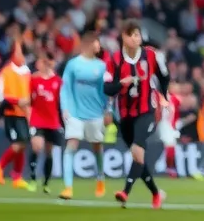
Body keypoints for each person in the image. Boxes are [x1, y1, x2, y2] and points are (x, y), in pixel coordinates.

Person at [103, 21, 169, 208]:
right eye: (132, 35)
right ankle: (157, 193)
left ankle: (125, 192)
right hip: (124, 115)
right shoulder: (114, 60)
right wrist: (121, 83)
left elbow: (164, 77)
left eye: (138, 35)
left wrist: (164, 96)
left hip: (147, 110)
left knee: (137, 151)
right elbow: (107, 88)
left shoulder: (151, 56)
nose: (136, 38)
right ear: (124, 37)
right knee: (137, 158)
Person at [60, 31, 111, 200]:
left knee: (97, 146)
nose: (99, 46)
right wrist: (65, 108)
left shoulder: (101, 66)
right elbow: (65, 87)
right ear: (89, 44)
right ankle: (68, 187)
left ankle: (100, 179)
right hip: (75, 113)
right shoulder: (73, 65)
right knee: (71, 146)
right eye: (97, 42)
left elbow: (106, 91)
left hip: (95, 113)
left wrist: (108, 110)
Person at [0, 41, 31, 188]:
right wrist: (17, 101)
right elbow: (1, 96)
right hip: (12, 113)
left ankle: (17, 177)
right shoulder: (6, 72)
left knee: (22, 143)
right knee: (20, 142)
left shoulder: (26, 72)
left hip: (24, 113)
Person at [26, 53, 63, 193]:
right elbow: (29, 99)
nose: (45, 64)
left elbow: (61, 102)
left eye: (48, 61)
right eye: (43, 61)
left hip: (52, 121)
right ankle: (33, 178)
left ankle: (46, 182)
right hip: (37, 119)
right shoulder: (34, 80)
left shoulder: (58, 81)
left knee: (49, 151)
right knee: (36, 147)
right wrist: (29, 114)